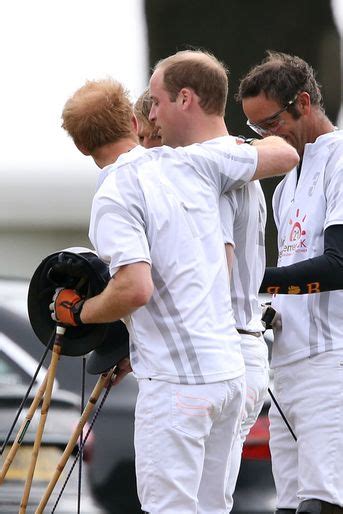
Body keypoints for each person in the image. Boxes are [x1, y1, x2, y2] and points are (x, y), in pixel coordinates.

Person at [54, 77, 298, 514]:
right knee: (212, 508)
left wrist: (81, 312)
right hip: (228, 370)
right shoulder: (191, 163)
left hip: (177, 382)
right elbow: (283, 153)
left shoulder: (115, 193)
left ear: (79, 148)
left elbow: (135, 287)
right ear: (132, 120)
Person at [149, 49, 270, 511]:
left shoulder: (206, 169)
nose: (152, 114)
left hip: (215, 353)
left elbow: (215, 268)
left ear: (185, 98)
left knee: (181, 503)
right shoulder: (240, 158)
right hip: (246, 346)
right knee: (210, 502)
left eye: (157, 101)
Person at [237, 51, 343, 514]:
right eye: (256, 129)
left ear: (303, 102)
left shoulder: (340, 159)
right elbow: (292, 275)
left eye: (271, 122)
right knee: (289, 504)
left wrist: (254, 279)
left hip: (332, 364)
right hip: (288, 366)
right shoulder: (282, 187)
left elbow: (338, 265)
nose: (266, 137)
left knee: (322, 504)